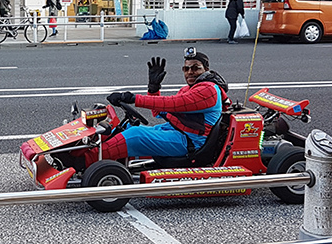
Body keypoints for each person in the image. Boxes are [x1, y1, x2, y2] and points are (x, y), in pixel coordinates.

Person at [89, 48, 228, 164]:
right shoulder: (188, 89)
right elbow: (160, 112)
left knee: (135, 135)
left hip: (191, 142)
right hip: (175, 131)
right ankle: (89, 148)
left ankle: (87, 159)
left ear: (206, 69)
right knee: (125, 127)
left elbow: (172, 104)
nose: (190, 72)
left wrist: (133, 98)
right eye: (186, 69)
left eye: (195, 68)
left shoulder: (208, 90)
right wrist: (153, 89)